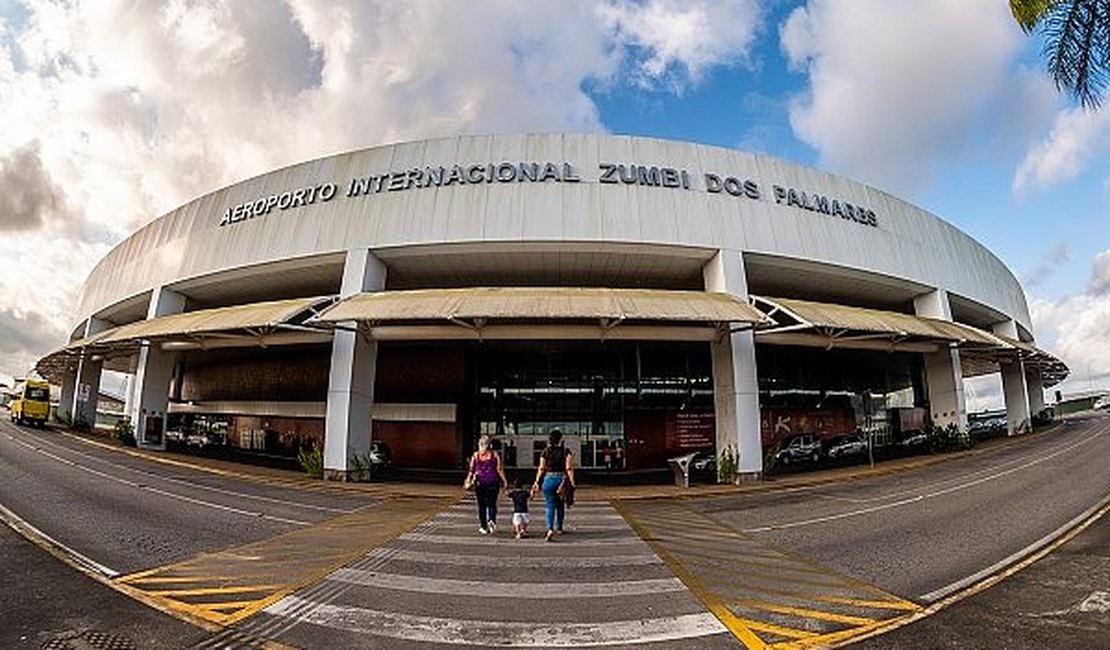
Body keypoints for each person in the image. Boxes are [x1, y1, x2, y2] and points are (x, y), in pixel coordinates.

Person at [531, 429, 575, 542]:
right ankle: (559, 528)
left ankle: (550, 528)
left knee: (550, 505)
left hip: (548, 479)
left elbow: (541, 468)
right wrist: (572, 482)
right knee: (560, 505)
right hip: (561, 480)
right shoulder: (566, 451)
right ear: (560, 439)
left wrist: (536, 482)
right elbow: (569, 468)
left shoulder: (545, 452)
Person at [467, 435, 507, 534]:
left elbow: (471, 470)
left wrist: (468, 480)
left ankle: (483, 527)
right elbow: (499, 469)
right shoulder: (494, 455)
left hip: (480, 483)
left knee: (482, 506)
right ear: (490, 445)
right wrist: (504, 481)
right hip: (493, 482)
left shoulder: (476, 455)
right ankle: (492, 520)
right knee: (492, 504)